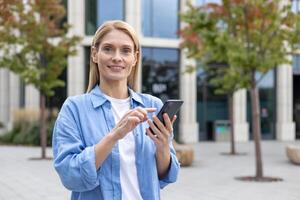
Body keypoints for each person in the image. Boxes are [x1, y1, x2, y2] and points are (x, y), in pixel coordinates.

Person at [52, 20, 180, 200]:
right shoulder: (74, 109)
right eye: (108, 49)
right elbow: (70, 175)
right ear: (95, 54)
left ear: (135, 58)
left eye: (126, 50)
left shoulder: (153, 105)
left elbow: (166, 176)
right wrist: (115, 135)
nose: (117, 57)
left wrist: (163, 146)